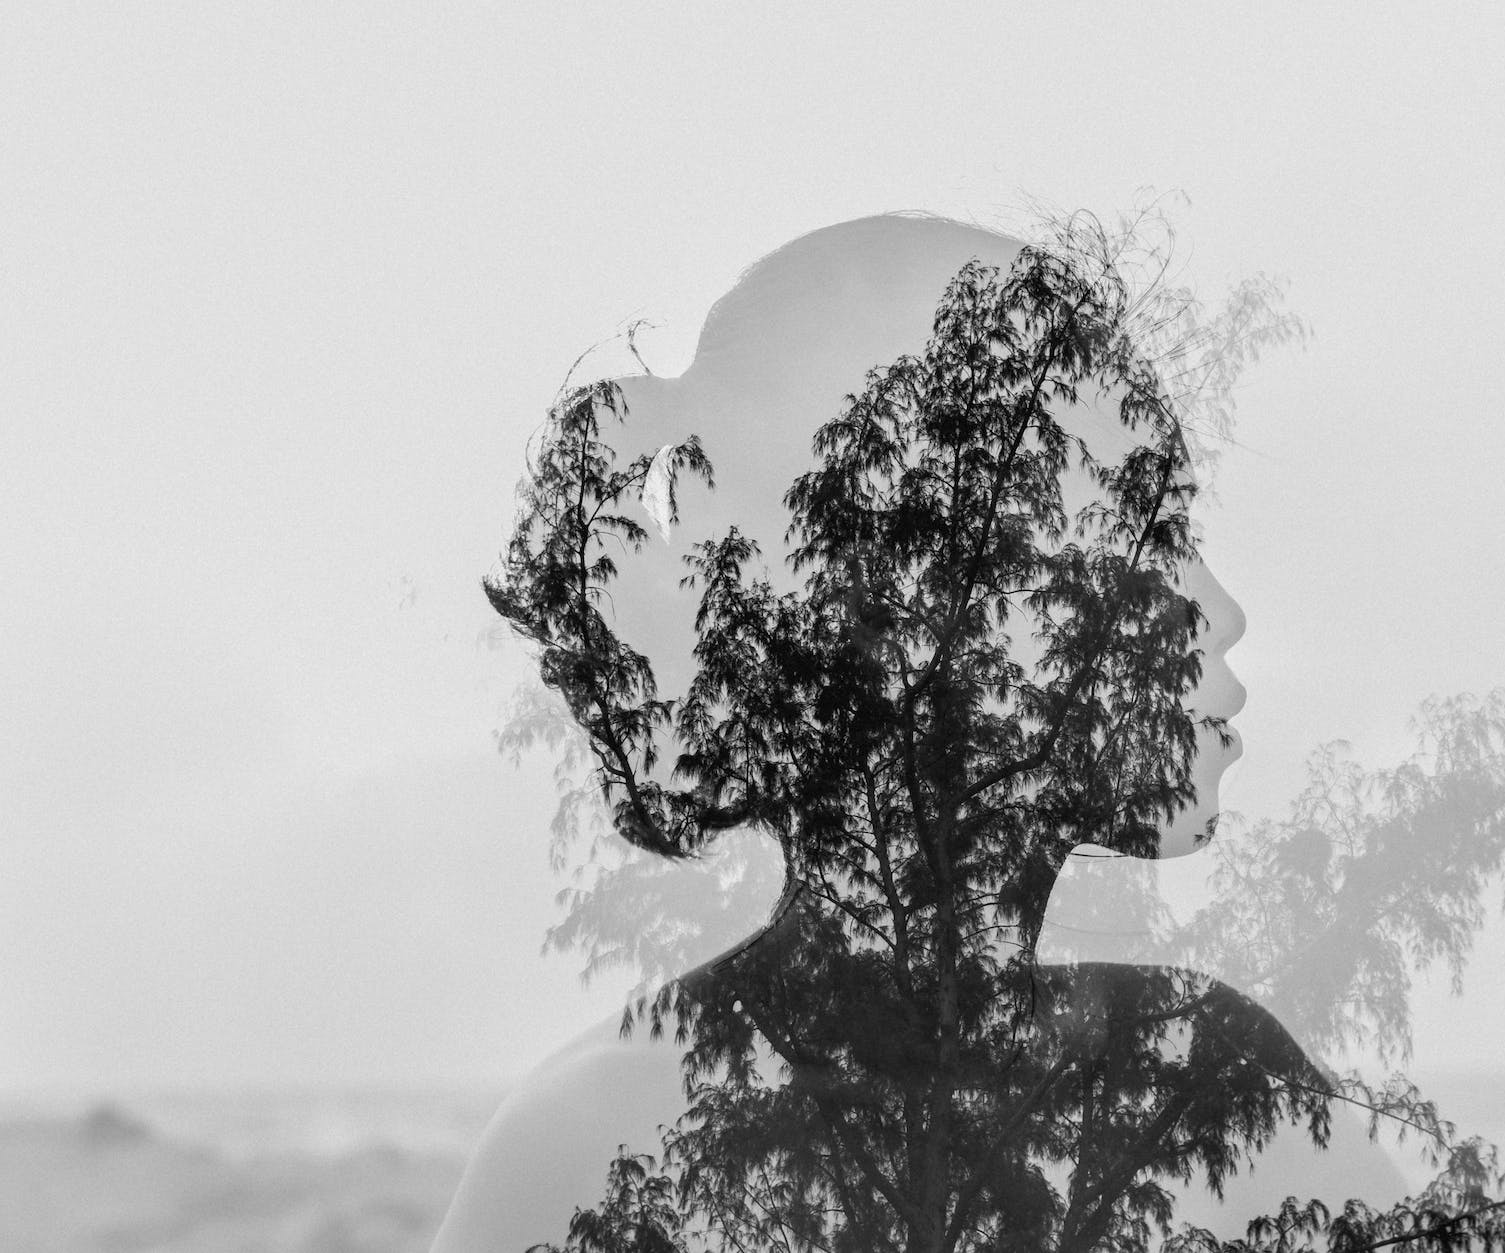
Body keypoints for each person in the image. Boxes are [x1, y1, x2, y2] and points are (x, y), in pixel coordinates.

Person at [433, 214, 1405, 1253]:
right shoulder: (596, 1144)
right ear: (935, 610)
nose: (1217, 610)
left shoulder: (1214, 1073)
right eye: (1149, 536)